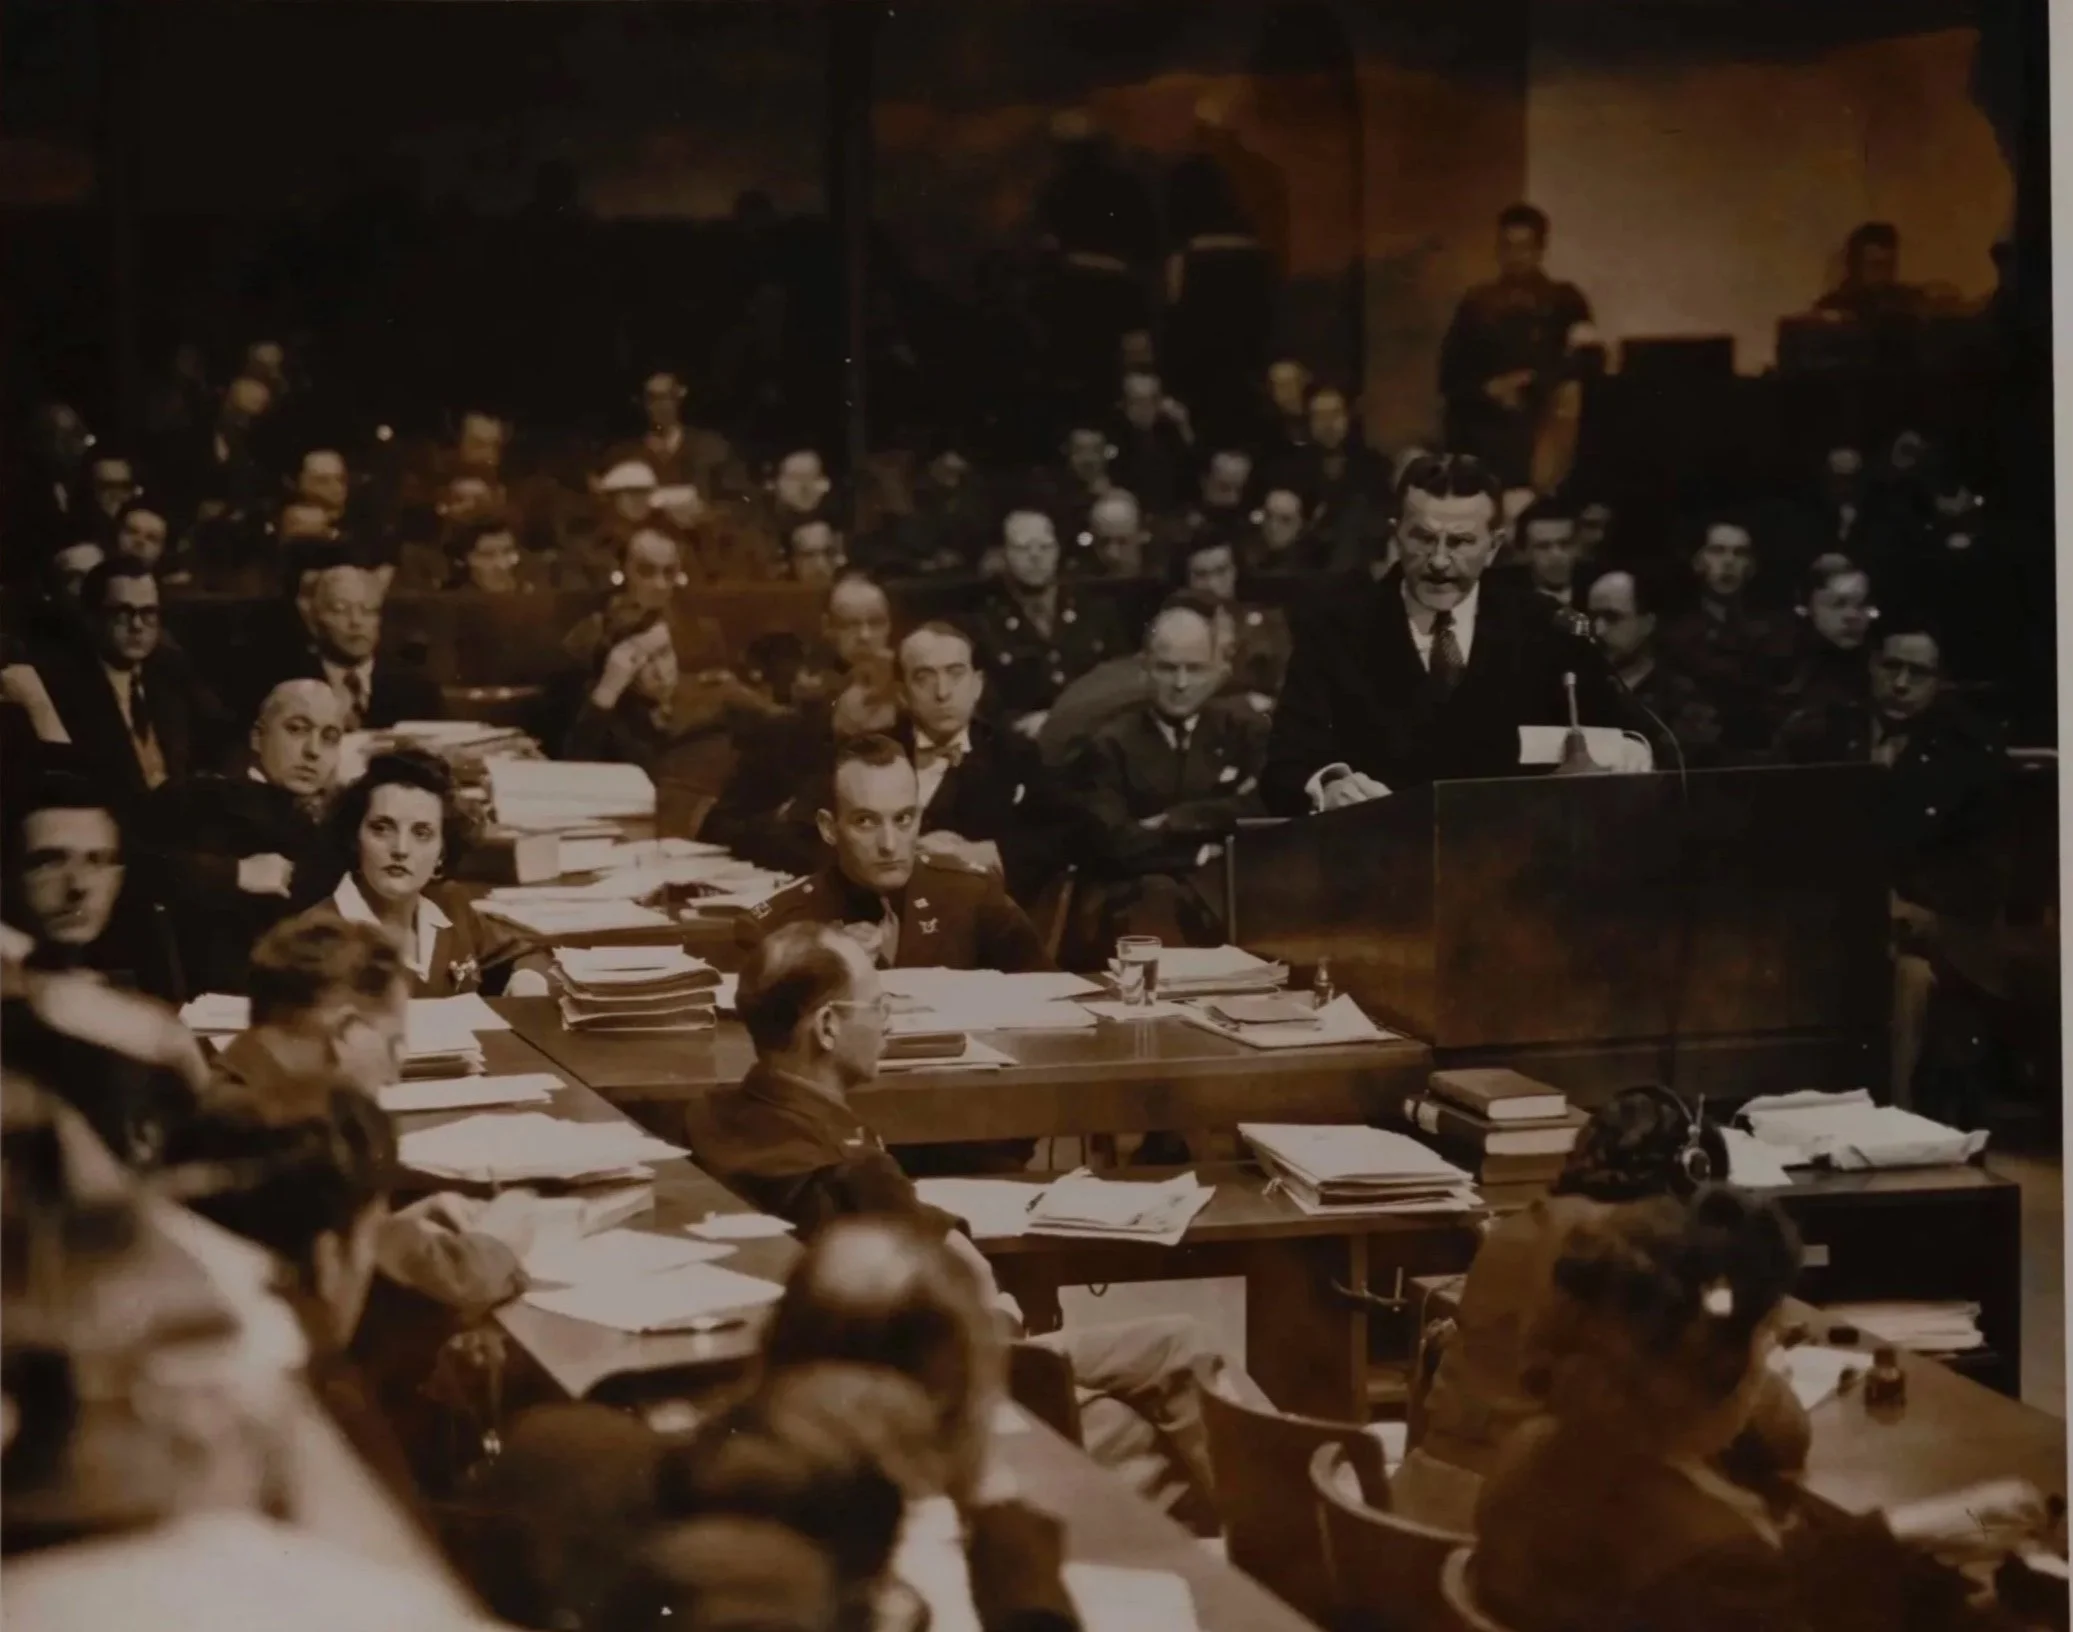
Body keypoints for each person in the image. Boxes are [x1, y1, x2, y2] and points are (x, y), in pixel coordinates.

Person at [684, 933, 1273, 1534]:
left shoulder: (727, 1117)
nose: (890, 1023)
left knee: (1179, 1348)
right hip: (934, 1373)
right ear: (829, 1027)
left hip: (890, 1362)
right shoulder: (841, 1158)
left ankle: (1283, 1526)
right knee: (1161, 1412)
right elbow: (953, 1281)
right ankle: (1300, 1535)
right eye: (880, 1006)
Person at [1470, 1186, 2005, 1632]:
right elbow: (1732, 1580)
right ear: (1721, 1367)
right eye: (1764, 1340)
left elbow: (1759, 1584)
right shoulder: (1710, 1560)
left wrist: (1902, 1531)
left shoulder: (1532, 1454)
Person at [1395, 1086, 1807, 1532]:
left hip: (1426, 1506)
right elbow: (1775, 1427)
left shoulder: (1521, 1225)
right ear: (1687, 1179)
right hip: (1506, 1521)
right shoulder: (1619, 1258)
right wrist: (1756, 1349)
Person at [1261, 454, 1644, 814]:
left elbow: (1634, 735)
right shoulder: (1334, 631)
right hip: (1380, 852)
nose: (1440, 561)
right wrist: (1328, 786)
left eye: (1460, 542)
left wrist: (1628, 751)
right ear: (1396, 535)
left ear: (1493, 547)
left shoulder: (1544, 626)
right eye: (1423, 538)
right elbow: (1284, 769)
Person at [1774, 618, 2009, 1115]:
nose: (1901, 684)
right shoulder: (1817, 734)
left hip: (1922, 925)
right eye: (1891, 666)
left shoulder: (1969, 752)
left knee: (1909, 977)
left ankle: (1896, 1117)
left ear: (1940, 681)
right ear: (1871, 665)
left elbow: (1981, 864)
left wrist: (1915, 909)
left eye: (1918, 673)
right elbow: (1782, 832)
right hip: (1818, 918)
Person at [738, 735, 1051, 977]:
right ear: (829, 828)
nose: (889, 844)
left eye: (903, 819)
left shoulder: (971, 898)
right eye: (865, 821)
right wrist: (826, 971)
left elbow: (1053, 1000)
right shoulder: (779, 926)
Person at [1066, 597, 1267, 952]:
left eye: (1195, 668)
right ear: (1145, 668)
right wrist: (1202, 851)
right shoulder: (1108, 744)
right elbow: (1115, 844)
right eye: (1167, 668)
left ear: (1217, 669)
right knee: (1155, 897)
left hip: (1232, 894)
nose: (1181, 683)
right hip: (1141, 903)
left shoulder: (1245, 731)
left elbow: (1268, 805)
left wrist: (1177, 820)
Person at [148, 678, 347, 994]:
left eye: (330, 738)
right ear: (257, 737)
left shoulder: (320, 824)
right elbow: (138, 867)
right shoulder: (199, 799)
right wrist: (237, 873)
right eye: (297, 729)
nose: (313, 751)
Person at [320, 749, 532, 996]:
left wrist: (528, 978)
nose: (401, 849)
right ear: (354, 839)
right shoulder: (318, 940)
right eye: (382, 828)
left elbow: (526, 953)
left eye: (421, 834)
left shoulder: (450, 905)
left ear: (442, 851)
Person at [893, 621, 1071, 910]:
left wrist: (987, 853)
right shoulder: (870, 753)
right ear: (902, 693)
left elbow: (1062, 836)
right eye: (924, 678)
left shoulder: (1014, 755)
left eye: (955, 674)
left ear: (977, 685)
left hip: (978, 914)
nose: (943, 692)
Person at [33, 556, 232, 813]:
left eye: (148, 613)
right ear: (92, 618)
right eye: (122, 613)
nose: (137, 626)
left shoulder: (170, 669)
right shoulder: (61, 683)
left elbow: (224, 737)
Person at [1438, 203, 1596, 491]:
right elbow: (1449, 372)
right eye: (1507, 246)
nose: (1515, 256)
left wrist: (1532, 380)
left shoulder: (1565, 301)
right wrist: (1488, 388)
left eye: (1524, 247)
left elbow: (1590, 360)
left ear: (1540, 249)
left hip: (1543, 425)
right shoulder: (1476, 304)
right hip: (1486, 423)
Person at [204, 913, 410, 1110]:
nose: (392, 1078)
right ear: (346, 1031)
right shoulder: (257, 1125)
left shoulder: (235, 1096)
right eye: (392, 1046)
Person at [564, 605, 739, 836]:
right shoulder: (608, 716)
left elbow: (777, 727)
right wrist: (609, 688)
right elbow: (574, 779)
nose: (660, 671)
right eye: (640, 662)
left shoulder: (712, 694)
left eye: (665, 653)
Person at [968, 509, 1126, 738]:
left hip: (1096, 736)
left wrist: (1068, 719)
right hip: (1023, 743)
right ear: (1004, 555)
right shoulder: (985, 624)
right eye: (1023, 548)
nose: (1035, 556)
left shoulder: (1094, 610)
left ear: (1057, 551)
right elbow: (985, 707)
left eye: (1045, 547)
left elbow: (1120, 679)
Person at [1659, 518, 1798, 757]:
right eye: (1717, 551)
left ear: (1751, 566)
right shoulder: (1674, 635)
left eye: (1740, 553)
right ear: (1698, 562)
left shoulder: (1775, 633)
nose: (1729, 562)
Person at [266, 562, 445, 731]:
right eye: (340, 610)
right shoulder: (284, 686)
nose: (356, 622)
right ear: (313, 619)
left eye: (368, 611)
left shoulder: (417, 689)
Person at [1585, 569, 1725, 768]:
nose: (1598, 630)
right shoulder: (1578, 691)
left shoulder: (1682, 699)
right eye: (1592, 618)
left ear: (1647, 623)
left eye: (1612, 617)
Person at [1274, 385, 1391, 572]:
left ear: (1348, 417)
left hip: (1357, 565)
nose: (1328, 424)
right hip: (1302, 563)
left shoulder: (1373, 465)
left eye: (1334, 414)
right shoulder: (1291, 467)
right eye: (1319, 416)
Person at [1175, 533, 1290, 701]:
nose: (1212, 584)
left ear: (1235, 571)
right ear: (1187, 579)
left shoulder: (1269, 625)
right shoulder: (1172, 630)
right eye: (1201, 575)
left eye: (1221, 571)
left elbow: (1282, 687)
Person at [1770, 555, 1875, 728]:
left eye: (1862, 604)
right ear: (1807, 607)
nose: (1853, 616)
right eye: (1838, 604)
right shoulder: (1780, 666)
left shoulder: (1876, 670)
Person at [1814, 221, 1925, 325]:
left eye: (1889, 265)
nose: (1884, 273)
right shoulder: (1833, 307)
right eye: (1876, 265)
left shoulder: (1908, 303)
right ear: (1856, 265)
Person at [1515, 498, 1583, 608]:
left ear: (1578, 547)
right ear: (1524, 553)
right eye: (1543, 546)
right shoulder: (1508, 606)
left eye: (1565, 544)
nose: (1556, 555)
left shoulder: (1599, 592)